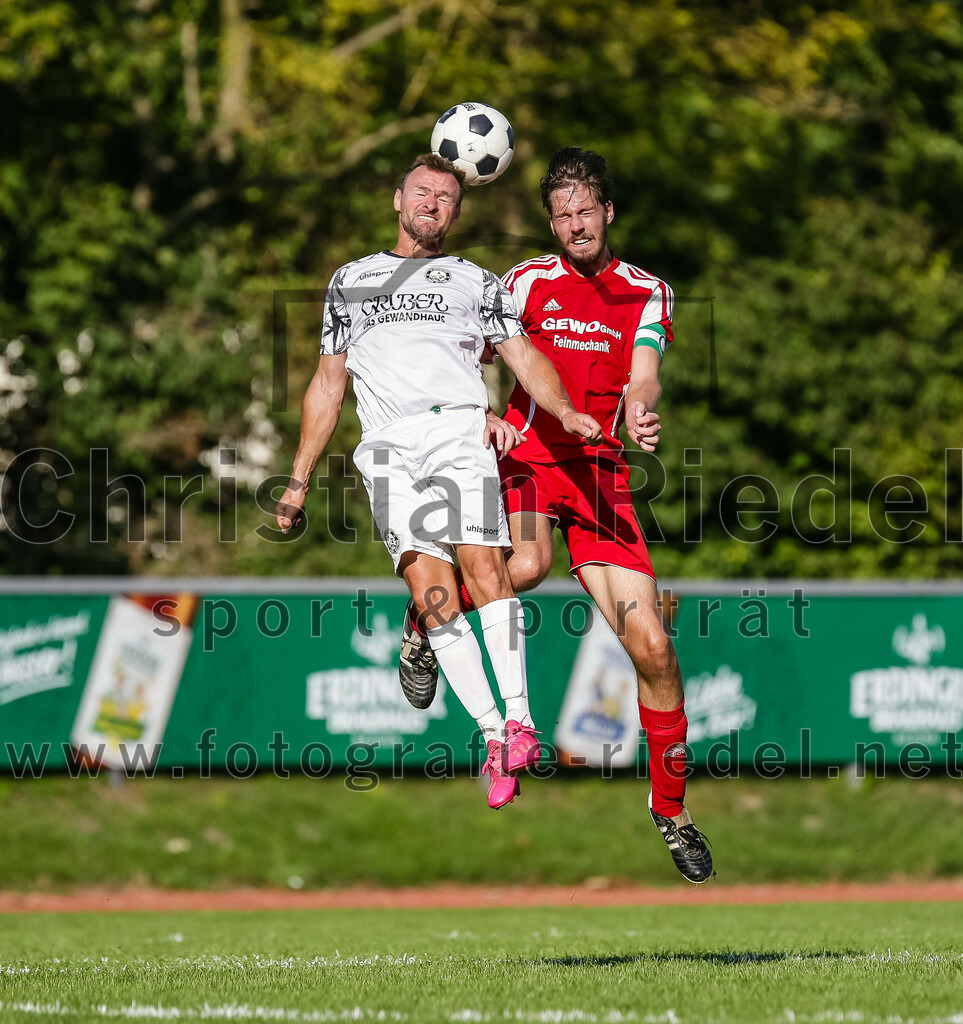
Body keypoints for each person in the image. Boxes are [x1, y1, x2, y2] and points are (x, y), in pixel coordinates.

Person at [398, 148, 713, 882]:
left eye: (585, 211)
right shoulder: (525, 281)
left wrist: (640, 410)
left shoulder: (647, 292)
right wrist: (480, 413)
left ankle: (670, 811)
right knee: (529, 566)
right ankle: (426, 619)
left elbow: (643, 373)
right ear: (551, 222)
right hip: (528, 459)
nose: (574, 225)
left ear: (608, 213)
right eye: (561, 214)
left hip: (600, 474)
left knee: (656, 652)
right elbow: (471, 352)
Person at [276, 153, 602, 811]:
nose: (432, 204)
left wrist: (563, 409)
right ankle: (492, 737)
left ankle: (518, 719)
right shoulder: (352, 279)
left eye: (446, 197)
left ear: (457, 210)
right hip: (388, 448)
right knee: (432, 594)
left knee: (484, 566)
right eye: (421, 193)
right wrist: (297, 478)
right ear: (398, 201)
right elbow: (328, 383)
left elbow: (523, 356)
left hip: (457, 432)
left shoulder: (474, 281)